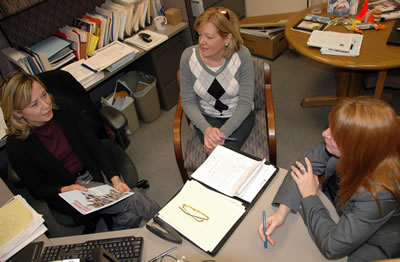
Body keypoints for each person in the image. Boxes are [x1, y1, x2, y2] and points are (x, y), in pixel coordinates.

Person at [1, 72, 159, 231]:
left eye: (44, 94)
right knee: (133, 200)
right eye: (34, 104)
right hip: (70, 191)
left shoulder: (63, 108)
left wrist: (114, 177)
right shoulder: (18, 146)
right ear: (18, 112)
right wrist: (64, 189)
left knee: (129, 215)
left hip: (94, 169)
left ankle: (117, 238)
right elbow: (37, 189)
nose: (46, 104)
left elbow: (94, 145)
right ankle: (175, 227)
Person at [259, 97, 400, 261]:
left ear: (356, 147)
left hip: (367, 244)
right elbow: (303, 167)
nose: (325, 133)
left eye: (335, 133)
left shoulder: (380, 193)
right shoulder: (352, 143)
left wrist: (310, 196)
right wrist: (282, 212)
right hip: (335, 207)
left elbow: (332, 247)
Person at [179, 7, 255, 155]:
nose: (201, 42)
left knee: (222, 154)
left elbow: (245, 103)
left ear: (227, 38)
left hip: (239, 115)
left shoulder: (242, 56)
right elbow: (188, 101)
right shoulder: (188, 57)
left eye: (209, 37)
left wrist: (222, 134)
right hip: (207, 117)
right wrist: (206, 129)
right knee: (218, 155)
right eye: (200, 35)